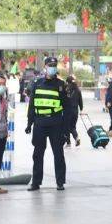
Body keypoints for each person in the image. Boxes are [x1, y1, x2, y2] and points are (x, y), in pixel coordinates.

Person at [25, 57, 67, 191]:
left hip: (56, 123)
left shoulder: (61, 85)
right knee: (37, 154)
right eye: (50, 65)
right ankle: (36, 182)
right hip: (39, 123)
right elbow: (32, 105)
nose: (52, 67)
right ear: (45, 67)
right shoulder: (37, 83)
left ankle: (60, 182)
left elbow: (67, 108)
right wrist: (29, 123)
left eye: (54, 65)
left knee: (58, 153)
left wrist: (67, 129)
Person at [62, 75, 83, 147]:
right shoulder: (78, 90)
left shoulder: (66, 89)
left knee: (66, 127)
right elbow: (80, 101)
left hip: (67, 111)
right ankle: (76, 138)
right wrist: (81, 109)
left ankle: (68, 143)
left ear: (67, 82)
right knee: (73, 126)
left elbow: (63, 100)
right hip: (75, 111)